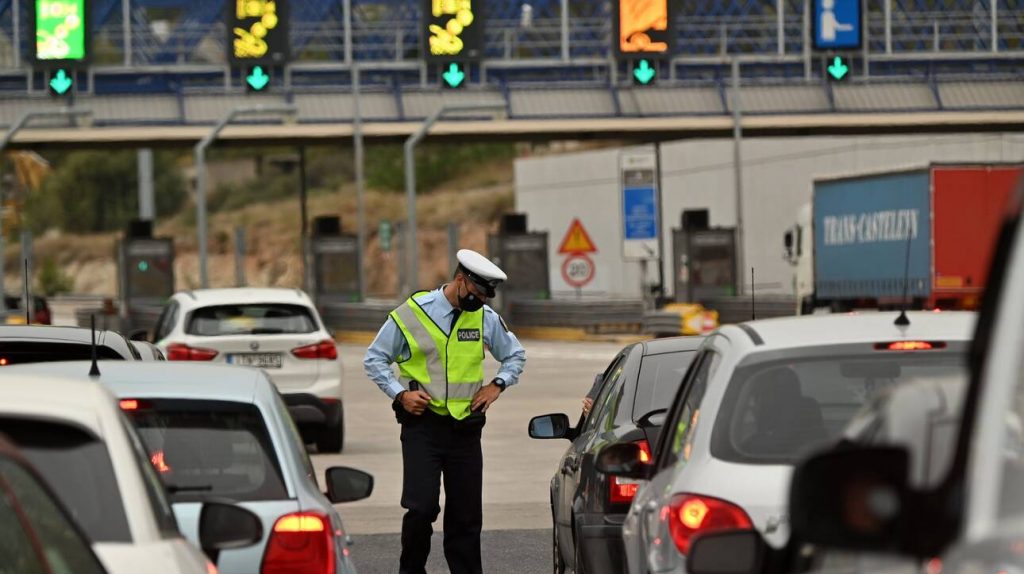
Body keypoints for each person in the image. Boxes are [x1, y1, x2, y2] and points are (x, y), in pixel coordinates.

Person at [363, 249, 527, 574]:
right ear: (459, 280)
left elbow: (516, 355)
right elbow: (375, 359)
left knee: (466, 517)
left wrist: (497, 384)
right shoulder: (412, 313)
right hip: (423, 427)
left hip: (466, 430)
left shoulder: (483, 317)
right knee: (421, 508)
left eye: (485, 296)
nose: (479, 301)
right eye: (476, 293)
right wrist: (399, 396)